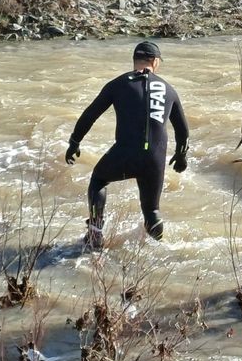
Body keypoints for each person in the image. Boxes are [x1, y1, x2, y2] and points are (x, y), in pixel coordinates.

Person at [65, 41, 189, 249]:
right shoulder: (169, 89)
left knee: (99, 180)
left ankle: (95, 232)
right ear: (155, 62)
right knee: (152, 211)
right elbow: (183, 130)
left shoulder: (119, 84)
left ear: (134, 61)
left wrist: (74, 142)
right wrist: (181, 155)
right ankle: (160, 252)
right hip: (155, 159)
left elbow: (90, 114)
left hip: (125, 152)